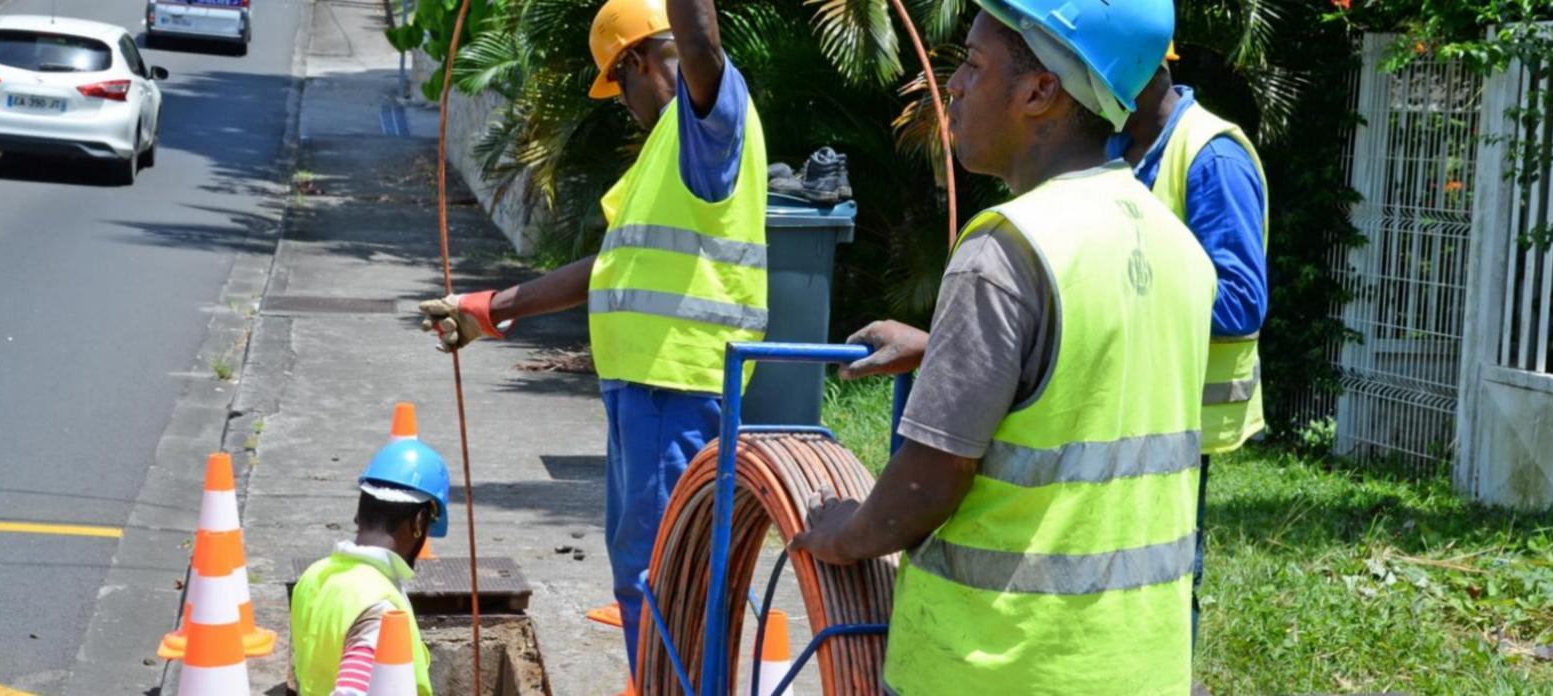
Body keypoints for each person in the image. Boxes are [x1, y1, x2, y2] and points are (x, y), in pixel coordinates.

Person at [790, 0, 1213, 693]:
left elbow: (925, 487)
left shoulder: (1009, 246)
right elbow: (1086, 390)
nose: (953, 86)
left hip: (994, 666)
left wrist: (842, 532)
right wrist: (943, 347)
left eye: (974, 65)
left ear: (1039, 91)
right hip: (1142, 668)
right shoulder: (1172, 243)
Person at [414, 0, 768, 680]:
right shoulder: (665, 151)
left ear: (635, 62)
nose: (622, 106)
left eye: (617, 87)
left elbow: (698, 41)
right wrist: (491, 308)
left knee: (664, 578)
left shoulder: (709, 121)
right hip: (645, 391)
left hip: (676, 387)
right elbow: (611, 267)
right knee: (641, 570)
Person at [1111, 47, 1270, 649]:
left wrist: (1111, 304)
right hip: (1123, 407)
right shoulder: (1115, 151)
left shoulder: (1211, 157)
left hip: (1180, 416)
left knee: (1165, 577)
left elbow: (1238, 303)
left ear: (1148, 72)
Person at [290, 438, 450, 696]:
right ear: (419, 522)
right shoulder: (378, 607)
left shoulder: (314, 577)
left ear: (359, 513)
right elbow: (351, 690)